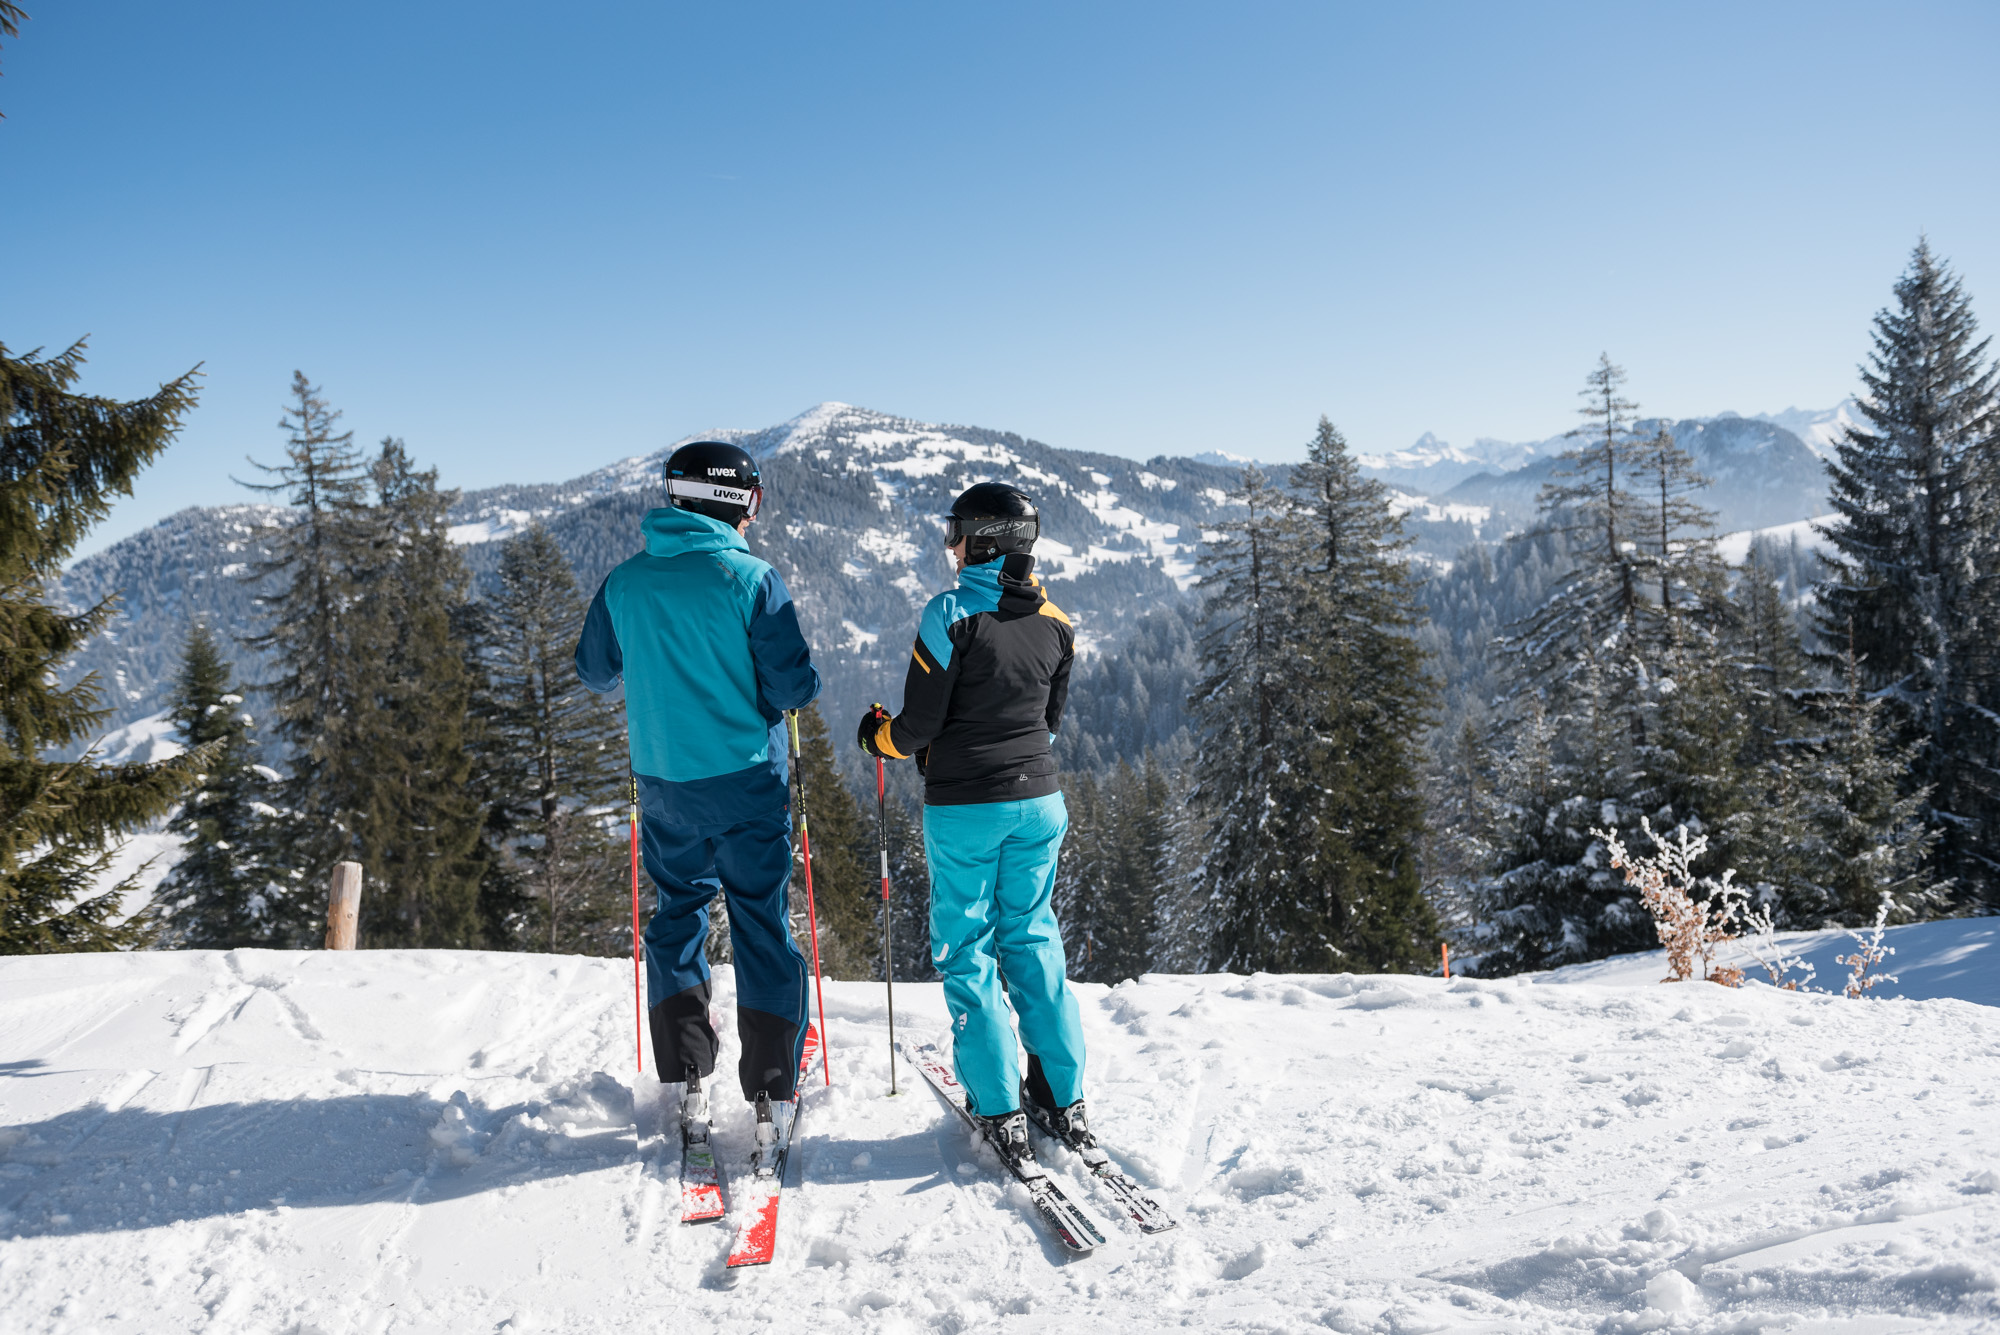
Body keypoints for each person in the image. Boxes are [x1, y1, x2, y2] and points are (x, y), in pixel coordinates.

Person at [574, 440, 820, 1112]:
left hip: (663, 786)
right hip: (745, 782)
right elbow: (794, 685)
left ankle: (685, 1068)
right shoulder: (751, 579)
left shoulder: (625, 581)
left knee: (678, 914)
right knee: (759, 922)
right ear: (744, 501)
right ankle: (770, 1083)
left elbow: (595, 671)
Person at [856, 482, 1088, 1169]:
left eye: (955, 531)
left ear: (982, 539)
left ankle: (999, 1106)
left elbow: (919, 724)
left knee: (969, 947)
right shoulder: (1057, 620)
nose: (949, 545)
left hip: (966, 808)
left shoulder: (950, 614)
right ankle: (1061, 1096)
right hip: (1040, 802)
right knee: (1033, 937)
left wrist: (879, 739)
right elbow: (1048, 724)